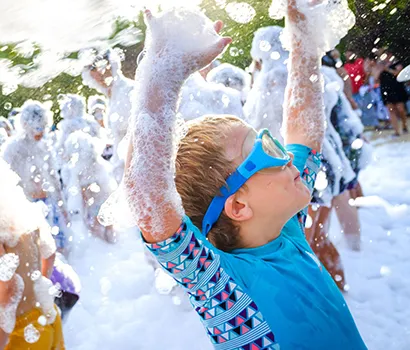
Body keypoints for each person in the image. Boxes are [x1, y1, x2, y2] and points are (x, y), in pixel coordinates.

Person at [123, 4, 366, 349]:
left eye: (269, 140)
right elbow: (148, 198)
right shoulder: (223, 287)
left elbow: (304, 133)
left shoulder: (287, 228)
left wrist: (302, 31)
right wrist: (163, 72)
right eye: (265, 152)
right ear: (238, 206)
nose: (284, 154)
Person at [0, 159, 65, 350]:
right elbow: (50, 253)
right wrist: (36, 286)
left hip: (20, 334)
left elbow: (8, 288)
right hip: (46, 316)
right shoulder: (23, 211)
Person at [1, 101, 69, 253]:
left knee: (59, 247)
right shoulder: (13, 148)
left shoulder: (44, 145)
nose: (41, 132)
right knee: (37, 249)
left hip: (49, 203)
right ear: (25, 125)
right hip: (25, 206)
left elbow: (53, 177)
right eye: (37, 128)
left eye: (44, 127)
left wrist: (61, 204)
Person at [61, 131, 117, 243]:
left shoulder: (80, 168)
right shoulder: (97, 163)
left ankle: (104, 247)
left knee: (95, 227)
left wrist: (85, 206)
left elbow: (84, 192)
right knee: (107, 224)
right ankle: (111, 244)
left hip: (95, 202)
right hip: (104, 199)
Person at [379, 50, 408, 136]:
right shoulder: (380, 65)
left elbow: (398, 74)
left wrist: (387, 69)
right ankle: (396, 131)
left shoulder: (396, 63)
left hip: (397, 88)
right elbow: (376, 77)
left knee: (401, 109)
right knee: (391, 110)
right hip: (386, 89)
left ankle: (404, 125)